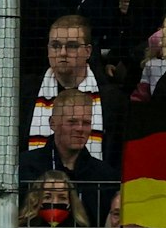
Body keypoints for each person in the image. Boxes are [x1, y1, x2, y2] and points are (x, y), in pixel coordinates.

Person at [28, 15, 119, 161]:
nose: (62, 52)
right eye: (56, 46)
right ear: (48, 50)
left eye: (71, 46)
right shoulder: (25, 93)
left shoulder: (112, 99)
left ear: (88, 52)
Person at [19, 89, 120, 221]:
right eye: (72, 122)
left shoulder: (106, 177)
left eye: (86, 123)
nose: (80, 129)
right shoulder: (24, 167)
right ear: (52, 123)